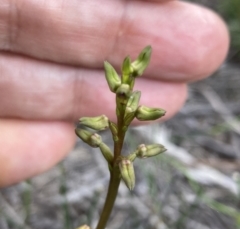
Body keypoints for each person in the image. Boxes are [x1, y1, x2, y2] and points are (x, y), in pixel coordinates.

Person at [0, 0, 229, 187]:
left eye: (123, 93)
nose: (122, 95)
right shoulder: (111, 114)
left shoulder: (132, 106)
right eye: (120, 93)